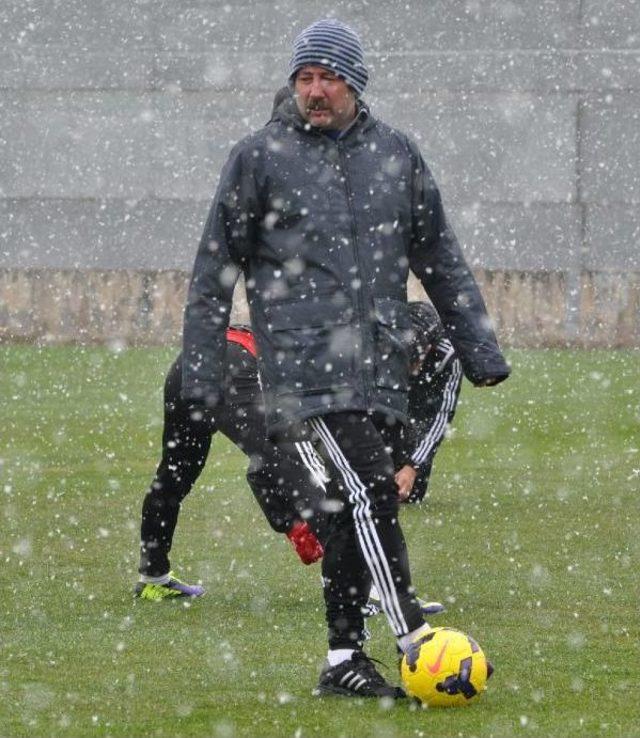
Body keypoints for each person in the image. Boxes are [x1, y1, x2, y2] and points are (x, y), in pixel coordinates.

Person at [181, 18, 510, 698]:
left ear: (354, 83)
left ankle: (341, 661)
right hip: (303, 368)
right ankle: (414, 636)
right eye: (304, 78)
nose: (315, 91)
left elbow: (439, 255)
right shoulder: (259, 158)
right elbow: (214, 268)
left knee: (342, 510)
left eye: (328, 77)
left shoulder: (397, 154)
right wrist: (203, 369)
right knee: (369, 492)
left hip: (382, 367)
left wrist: (478, 348)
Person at [135, 325, 326, 601]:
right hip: (233, 363)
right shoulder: (327, 368)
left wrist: (292, 523)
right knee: (298, 466)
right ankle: (358, 585)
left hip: (192, 361)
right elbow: (282, 462)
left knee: (173, 477)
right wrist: (295, 524)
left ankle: (153, 576)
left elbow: (261, 467)